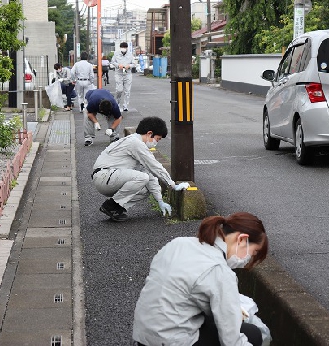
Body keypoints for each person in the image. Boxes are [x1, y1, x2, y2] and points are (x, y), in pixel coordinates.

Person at [133, 212, 269, 346]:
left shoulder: (177, 243)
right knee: (252, 334)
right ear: (241, 239)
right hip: (171, 341)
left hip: (143, 336)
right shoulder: (219, 270)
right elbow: (231, 341)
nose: (247, 259)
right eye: (253, 252)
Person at [91, 116, 190, 222]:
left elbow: (150, 174)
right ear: (149, 133)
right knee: (142, 178)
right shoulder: (135, 143)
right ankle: (111, 206)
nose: (156, 143)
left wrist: (160, 200)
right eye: (157, 139)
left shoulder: (136, 143)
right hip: (104, 177)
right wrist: (172, 185)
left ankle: (115, 209)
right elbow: (154, 166)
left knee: (146, 188)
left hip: (109, 178)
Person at [110, 42, 134, 111]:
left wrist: (129, 66)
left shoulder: (130, 54)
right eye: (122, 48)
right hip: (119, 73)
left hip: (127, 73)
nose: (123, 49)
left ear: (127, 48)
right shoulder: (116, 53)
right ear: (120, 48)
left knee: (127, 91)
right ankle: (117, 103)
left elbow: (133, 63)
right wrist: (118, 65)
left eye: (125, 48)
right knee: (119, 90)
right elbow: (113, 61)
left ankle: (125, 105)